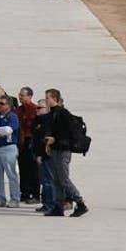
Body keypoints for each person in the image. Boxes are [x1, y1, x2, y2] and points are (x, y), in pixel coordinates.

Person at [41, 88, 87, 217]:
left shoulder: (63, 113)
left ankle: (80, 203)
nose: (46, 100)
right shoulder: (52, 113)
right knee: (56, 180)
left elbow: (70, 133)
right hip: (55, 150)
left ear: (55, 99)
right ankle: (58, 207)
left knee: (64, 179)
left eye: (48, 98)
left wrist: (55, 139)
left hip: (63, 151)